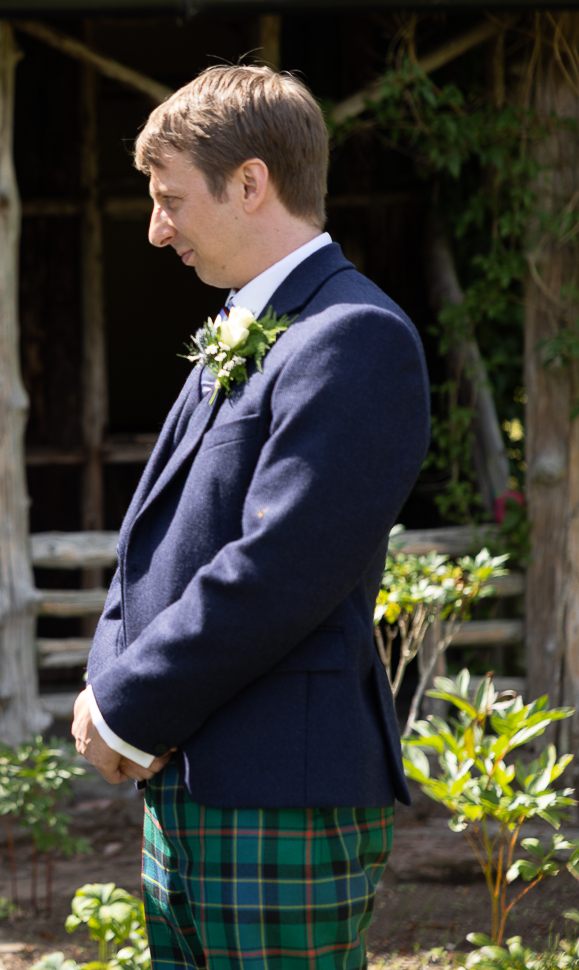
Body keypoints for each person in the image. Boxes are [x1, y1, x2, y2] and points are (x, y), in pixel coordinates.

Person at [70, 66, 429, 969]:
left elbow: (283, 566)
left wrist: (128, 704)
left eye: (170, 200)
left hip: (282, 790)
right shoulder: (244, 324)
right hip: (188, 779)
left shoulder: (354, 336)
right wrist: (109, 685)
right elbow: (153, 536)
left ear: (251, 183)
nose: (158, 229)